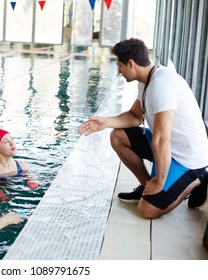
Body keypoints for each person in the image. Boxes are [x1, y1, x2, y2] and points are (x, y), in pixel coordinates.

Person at [78, 38, 208, 219]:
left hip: (187, 158)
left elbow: (162, 139)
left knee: (147, 210)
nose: (119, 71)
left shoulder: (162, 84)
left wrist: (161, 181)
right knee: (118, 136)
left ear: (131, 63)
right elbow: (134, 116)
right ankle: (147, 186)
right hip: (168, 149)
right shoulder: (146, 81)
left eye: (120, 66)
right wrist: (106, 122)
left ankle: (198, 179)